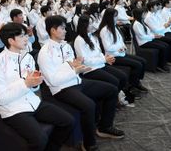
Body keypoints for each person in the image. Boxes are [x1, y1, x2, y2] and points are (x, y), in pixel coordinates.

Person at [38, 15, 124, 151]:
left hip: (77, 81)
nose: (66, 30)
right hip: (61, 89)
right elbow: (53, 80)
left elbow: (71, 64)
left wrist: (75, 66)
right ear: (53, 30)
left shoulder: (65, 46)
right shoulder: (45, 52)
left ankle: (104, 127)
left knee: (111, 89)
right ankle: (88, 143)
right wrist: (74, 70)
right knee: (89, 105)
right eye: (62, 28)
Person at [0, 23, 74, 151]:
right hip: (13, 110)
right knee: (39, 139)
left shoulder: (28, 57)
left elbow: (34, 89)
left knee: (68, 121)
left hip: (33, 102)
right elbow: (1, 99)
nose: (26, 38)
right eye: (22, 36)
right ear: (11, 40)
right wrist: (26, 84)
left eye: (25, 35)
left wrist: (34, 84)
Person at [74, 15, 132, 106]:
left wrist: (106, 59)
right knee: (115, 81)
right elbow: (86, 61)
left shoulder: (91, 36)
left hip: (100, 64)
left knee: (123, 77)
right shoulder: (79, 40)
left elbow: (99, 52)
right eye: (90, 23)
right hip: (90, 69)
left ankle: (114, 97)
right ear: (84, 25)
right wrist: (104, 59)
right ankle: (111, 101)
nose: (92, 25)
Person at [97, 8, 148, 94]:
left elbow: (120, 40)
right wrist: (119, 47)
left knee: (142, 61)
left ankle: (137, 82)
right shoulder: (104, 30)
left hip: (120, 53)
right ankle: (132, 86)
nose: (117, 18)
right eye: (115, 16)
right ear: (109, 17)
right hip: (113, 56)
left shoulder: (113, 26)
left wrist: (123, 46)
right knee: (137, 65)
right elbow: (107, 47)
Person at [132, 8, 171, 73]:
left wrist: (154, 35)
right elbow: (142, 36)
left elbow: (148, 32)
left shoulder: (141, 21)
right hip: (143, 43)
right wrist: (154, 36)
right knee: (163, 47)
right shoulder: (136, 24)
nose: (145, 14)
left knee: (165, 45)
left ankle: (162, 62)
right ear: (139, 14)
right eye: (144, 13)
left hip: (148, 39)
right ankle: (161, 65)